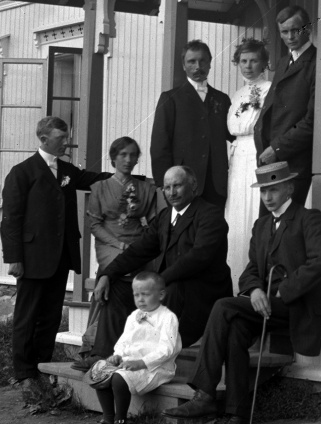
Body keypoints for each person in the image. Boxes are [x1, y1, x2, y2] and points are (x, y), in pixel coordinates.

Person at [164, 161, 321, 424]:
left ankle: (205, 395)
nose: (267, 197)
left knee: (223, 306)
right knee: (235, 332)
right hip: (264, 304)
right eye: (263, 191)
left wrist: (284, 292)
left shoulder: (307, 218)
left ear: (289, 188)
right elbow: (251, 269)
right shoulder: (262, 225)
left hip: (295, 305)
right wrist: (254, 290)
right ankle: (237, 414)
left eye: (274, 190)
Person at [0, 116, 111, 404]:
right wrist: (14, 258)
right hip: (32, 257)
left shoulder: (66, 169)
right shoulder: (22, 173)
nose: (66, 142)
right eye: (61, 138)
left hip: (61, 256)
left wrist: (129, 178)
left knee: (50, 316)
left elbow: (90, 179)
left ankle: (41, 366)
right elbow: (11, 220)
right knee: (27, 316)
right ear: (44, 138)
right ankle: (24, 373)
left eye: (67, 136)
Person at [90, 165, 232, 363]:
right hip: (168, 289)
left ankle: (148, 356)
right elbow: (139, 250)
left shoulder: (210, 215)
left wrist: (158, 281)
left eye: (177, 186)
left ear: (193, 186)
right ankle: (103, 356)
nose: (171, 193)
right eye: (167, 187)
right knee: (116, 287)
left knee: (169, 289)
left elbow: (198, 257)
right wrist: (108, 274)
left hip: (200, 295)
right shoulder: (165, 217)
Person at [73, 137, 164, 372]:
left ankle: (127, 350)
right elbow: (95, 225)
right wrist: (118, 245)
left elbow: (152, 224)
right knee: (110, 286)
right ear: (113, 158)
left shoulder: (145, 189)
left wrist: (138, 244)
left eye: (133, 155)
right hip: (110, 248)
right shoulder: (100, 188)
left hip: (139, 249)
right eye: (123, 154)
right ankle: (97, 349)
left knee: (138, 292)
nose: (128, 159)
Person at [90, 271, 182, 424]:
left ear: (160, 295)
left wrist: (141, 363)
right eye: (136, 295)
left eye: (145, 294)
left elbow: (167, 349)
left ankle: (121, 418)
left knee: (118, 379)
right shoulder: (134, 316)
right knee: (100, 373)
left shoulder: (168, 318)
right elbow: (124, 340)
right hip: (129, 363)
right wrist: (118, 354)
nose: (140, 299)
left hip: (155, 367)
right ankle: (108, 418)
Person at [151, 40, 233, 209]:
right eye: (192, 61)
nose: (198, 66)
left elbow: (233, 137)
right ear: (183, 65)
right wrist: (165, 185)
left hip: (216, 185)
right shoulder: (171, 98)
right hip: (183, 184)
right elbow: (160, 145)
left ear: (210, 64)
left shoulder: (221, 99)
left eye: (203, 61)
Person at [253, 6, 316, 210]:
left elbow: (312, 120)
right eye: (284, 32)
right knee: (267, 223)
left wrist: (277, 148)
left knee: (286, 224)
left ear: (307, 28)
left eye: (295, 30)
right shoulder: (283, 62)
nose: (290, 36)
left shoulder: (317, 62)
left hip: (295, 161)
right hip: (272, 160)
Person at [225, 38, 272, 289]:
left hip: (257, 150)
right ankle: (235, 282)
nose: (248, 66)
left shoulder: (270, 88)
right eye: (243, 61)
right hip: (238, 156)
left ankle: (256, 279)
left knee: (254, 209)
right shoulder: (237, 94)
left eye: (254, 60)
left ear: (264, 63)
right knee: (237, 214)